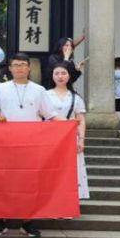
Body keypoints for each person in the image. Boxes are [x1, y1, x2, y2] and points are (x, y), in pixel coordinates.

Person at [0, 53, 55, 238]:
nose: (19, 68)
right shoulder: (0, 89)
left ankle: (27, 222)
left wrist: (69, 124)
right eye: (15, 65)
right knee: (2, 182)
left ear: (29, 67)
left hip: (30, 144)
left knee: (29, 183)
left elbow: (50, 114)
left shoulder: (39, 90)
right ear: (10, 68)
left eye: (23, 65)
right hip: (4, 143)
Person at [46, 62, 88, 200]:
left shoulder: (76, 98)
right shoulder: (45, 95)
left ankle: (69, 200)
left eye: (63, 73)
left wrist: (81, 140)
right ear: (52, 75)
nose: (60, 76)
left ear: (69, 76)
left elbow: (81, 120)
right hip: (49, 138)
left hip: (70, 138)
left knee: (70, 169)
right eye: (57, 73)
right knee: (51, 169)